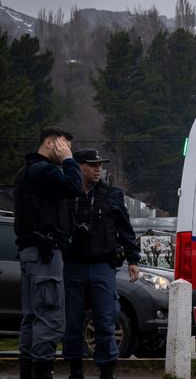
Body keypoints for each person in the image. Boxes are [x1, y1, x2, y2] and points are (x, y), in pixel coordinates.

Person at [63, 149, 141, 379]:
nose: (98, 169)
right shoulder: (68, 194)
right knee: (74, 321)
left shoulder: (112, 194)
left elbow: (125, 228)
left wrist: (133, 259)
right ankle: (75, 370)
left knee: (106, 319)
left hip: (102, 265)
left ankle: (107, 372)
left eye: (100, 164)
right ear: (79, 166)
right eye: (92, 164)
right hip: (73, 264)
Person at [14, 127, 83, 379]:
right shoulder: (42, 170)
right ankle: (42, 371)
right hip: (45, 252)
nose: (69, 151)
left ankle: (27, 371)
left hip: (31, 251)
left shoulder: (27, 172)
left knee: (32, 317)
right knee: (50, 317)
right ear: (51, 143)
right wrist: (68, 161)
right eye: (65, 145)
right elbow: (75, 186)